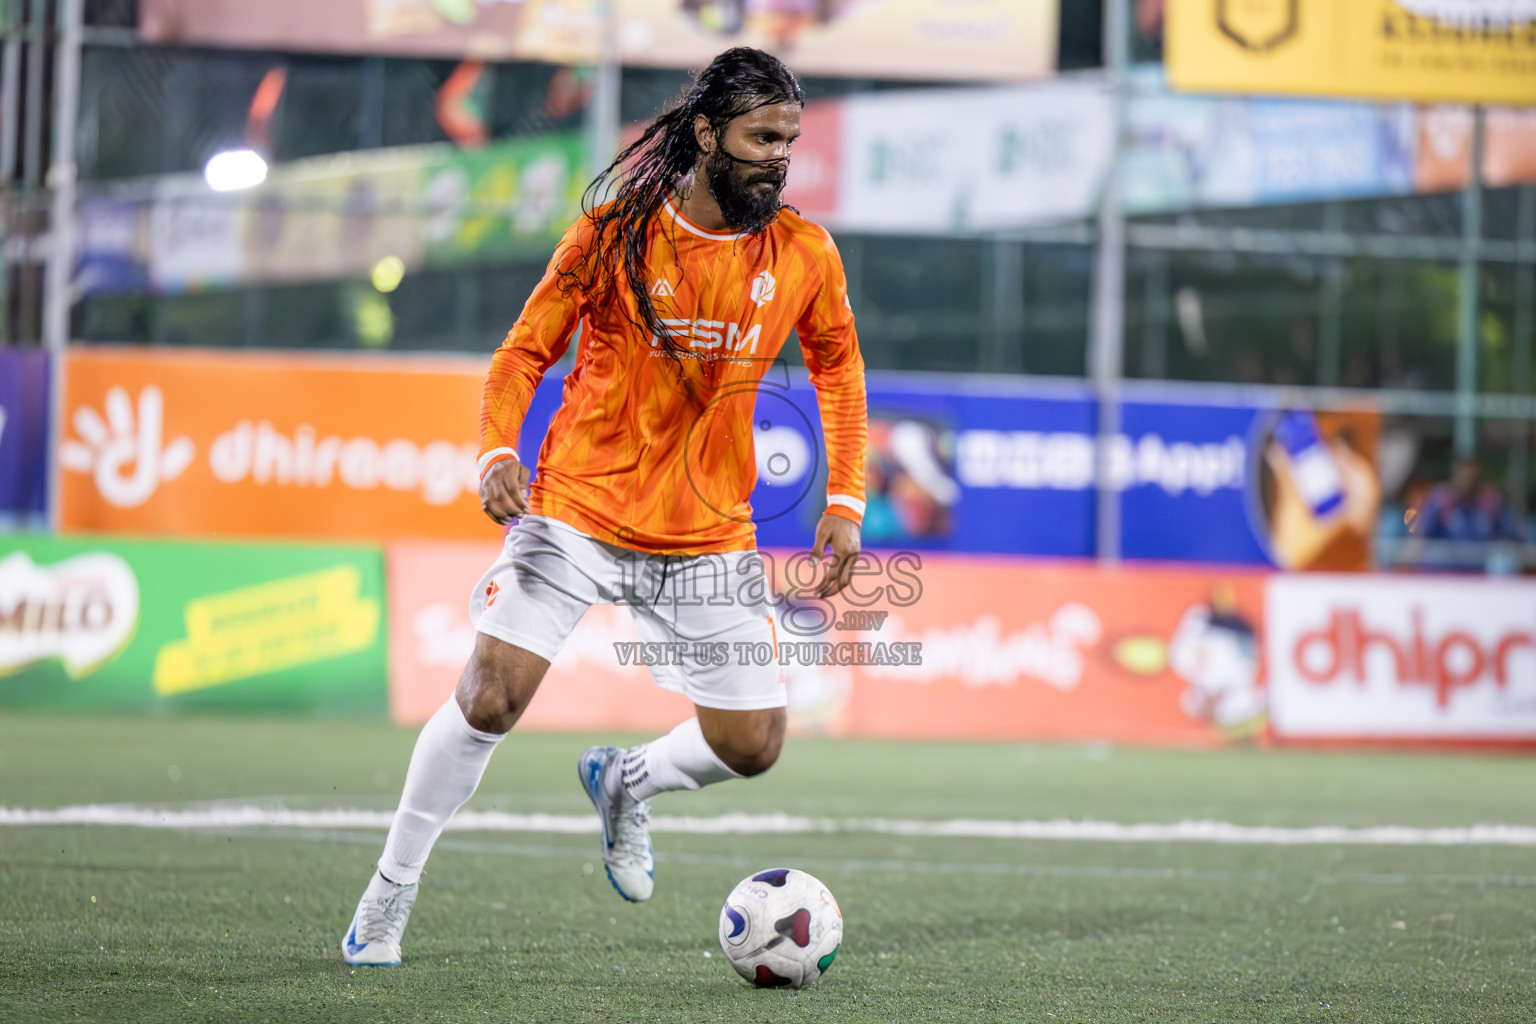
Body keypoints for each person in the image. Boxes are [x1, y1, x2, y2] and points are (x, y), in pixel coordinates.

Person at [341, 47, 867, 966]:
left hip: (706, 531)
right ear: (707, 134)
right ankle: (390, 893)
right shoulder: (614, 233)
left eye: (789, 140)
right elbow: (519, 356)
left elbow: (839, 369)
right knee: (490, 697)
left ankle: (628, 780)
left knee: (752, 745)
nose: (779, 158)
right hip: (578, 509)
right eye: (761, 138)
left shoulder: (804, 252)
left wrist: (846, 499)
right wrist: (498, 449)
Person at [1412, 454, 1521, 544]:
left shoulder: (1492, 500)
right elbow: (1421, 534)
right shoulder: (1440, 498)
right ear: (1455, 473)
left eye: (1471, 474)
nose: (1467, 479)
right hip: (1445, 565)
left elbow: (1512, 535)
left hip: (1482, 564)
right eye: (1462, 474)